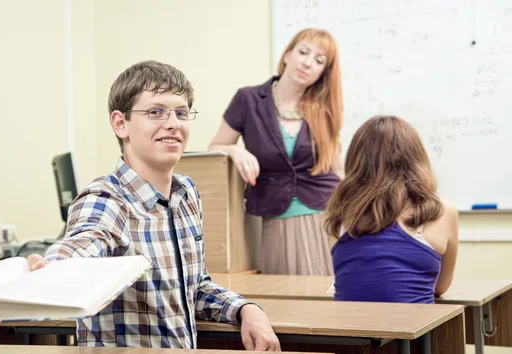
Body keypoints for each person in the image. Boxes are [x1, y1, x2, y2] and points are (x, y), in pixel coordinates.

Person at [27, 61, 280, 350]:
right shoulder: (107, 197)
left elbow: (192, 288)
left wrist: (246, 309)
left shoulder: (186, 194)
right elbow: (84, 240)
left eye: (181, 113)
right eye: (156, 112)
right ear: (121, 124)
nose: (173, 123)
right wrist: (51, 267)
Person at [208, 28, 344, 275]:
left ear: (323, 73)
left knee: (326, 299)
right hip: (273, 217)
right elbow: (214, 147)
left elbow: (336, 169)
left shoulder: (324, 109)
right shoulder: (247, 99)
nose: (307, 63)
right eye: (303, 52)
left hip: (325, 215)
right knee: (286, 300)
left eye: (319, 61)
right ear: (287, 55)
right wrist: (236, 151)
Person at [325, 115, 459, 304]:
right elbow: (440, 287)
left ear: (356, 161)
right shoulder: (443, 211)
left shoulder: (339, 212)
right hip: (415, 332)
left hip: (350, 331)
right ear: (416, 160)